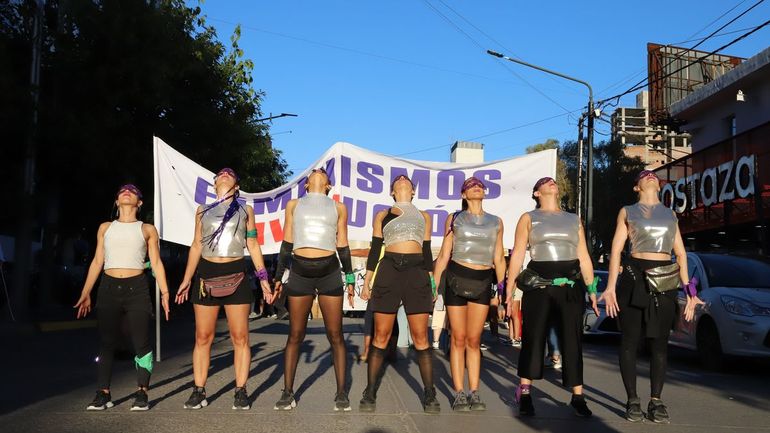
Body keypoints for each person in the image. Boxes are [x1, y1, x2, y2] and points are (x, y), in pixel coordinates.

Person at [600, 170, 703, 424]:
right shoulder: (627, 212)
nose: (650, 176)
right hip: (634, 277)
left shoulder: (670, 214)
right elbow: (616, 250)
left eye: (653, 175)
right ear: (637, 187)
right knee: (630, 341)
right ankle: (632, 400)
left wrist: (689, 291)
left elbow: (680, 254)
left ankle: (656, 401)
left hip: (664, 280)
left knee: (659, 343)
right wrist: (610, 287)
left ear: (659, 185)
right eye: (644, 175)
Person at [175, 168, 273, 410]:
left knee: (240, 337)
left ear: (237, 185)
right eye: (221, 174)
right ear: (215, 183)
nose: (225, 174)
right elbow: (196, 245)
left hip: (236, 274)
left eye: (230, 174)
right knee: (203, 336)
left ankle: (241, 390)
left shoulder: (246, 210)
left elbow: (252, 244)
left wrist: (263, 278)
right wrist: (187, 279)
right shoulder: (202, 210)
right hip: (206, 274)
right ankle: (199, 390)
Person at [505, 177, 600, 418]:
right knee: (533, 338)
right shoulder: (528, 218)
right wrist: (509, 290)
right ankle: (525, 393)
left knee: (572, 340)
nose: (551, 182)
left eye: (553, 181)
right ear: (536, 193)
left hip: (570, 286)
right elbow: (518, 254)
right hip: (539, 285)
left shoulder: (573, 219)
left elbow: (584, 256)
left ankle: (578, 396)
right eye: (544, 182)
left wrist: (592, 289)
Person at [74, 184, 171, 411]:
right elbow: (97, 261)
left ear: (139, 202)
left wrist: (165, 292)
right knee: (107, 342)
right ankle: (103, 393)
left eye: (133, 191)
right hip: (108, 287)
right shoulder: (105, 227)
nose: (127, 191)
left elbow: (156, 262)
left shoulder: (147, 229)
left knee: (141, 342)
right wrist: (86, 292)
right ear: (117, 201)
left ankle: (142, 392)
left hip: (136, 288)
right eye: (122, 191)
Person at [271, 167, 355, 411]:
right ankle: (287, 392)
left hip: (330, 272)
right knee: (295, 334)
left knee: (335, 334)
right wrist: (278, 277)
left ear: (328, 185)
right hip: (300, 272)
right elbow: (287, 242)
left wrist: (350, 278)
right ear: (306, 184)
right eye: (313, 172)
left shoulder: (339, 207)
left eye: (323, 172)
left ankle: (341, 393)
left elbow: (343, 244)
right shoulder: (294, 205)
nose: (318, 171)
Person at [359, 174, 440, 414]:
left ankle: (429, 393)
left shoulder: (424, 216)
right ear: (392, 192)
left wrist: (431, 281)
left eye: (407, 180)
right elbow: (375, 249)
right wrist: (366, 282)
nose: (403, 179)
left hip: (417, 270)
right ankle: (370, 391)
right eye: (398, 180)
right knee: (381, 335)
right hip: (389, 269)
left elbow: (427, 251)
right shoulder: (382, 215)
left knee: (421, 337)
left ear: (413, 191)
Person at [433, 177, 506, 411]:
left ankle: (475, 392)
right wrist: (434, 284)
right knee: (458, 338)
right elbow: (444, 254)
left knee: (474, 340)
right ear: (464, 195)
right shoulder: (454, 218)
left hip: (483, 281)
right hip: (457, 278)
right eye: (471, 186)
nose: (477, 187)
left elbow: (498, 257)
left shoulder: (496, 222)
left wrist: (502, 291)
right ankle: (459, 393)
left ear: (484, 193)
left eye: (480, 185)